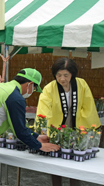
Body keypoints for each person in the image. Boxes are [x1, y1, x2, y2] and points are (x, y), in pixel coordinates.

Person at [35, 58, 101, 186]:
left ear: (72, 74)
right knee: (56, 161)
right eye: (58, 75)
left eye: (66, 75)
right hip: (56, 128)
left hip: (77, 126)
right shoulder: (49, 88)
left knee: (76, 161)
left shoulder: (81, 84)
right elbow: (44, 111)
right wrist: (48, 132)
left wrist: (86, 131)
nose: (62, 79)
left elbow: (89, 107)